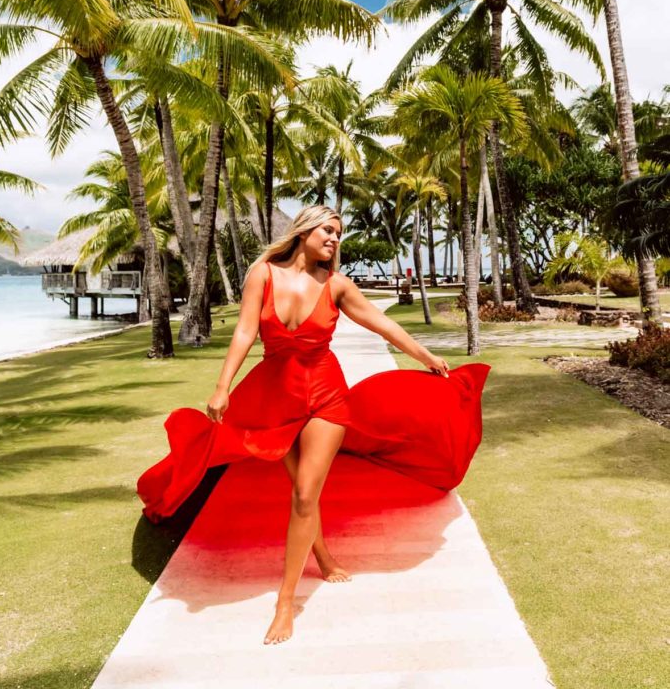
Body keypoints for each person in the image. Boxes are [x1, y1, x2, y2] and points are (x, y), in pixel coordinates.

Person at [136, 204, 490, 646]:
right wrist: (223, 385)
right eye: (328, 230)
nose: (334, 239)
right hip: (273, 399)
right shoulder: (262, 274)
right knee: (298, 489)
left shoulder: (337, 285)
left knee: (306, 493)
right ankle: (320, 553)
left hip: (326, 397)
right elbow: (245, 332)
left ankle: (286, 602)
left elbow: (381, 324)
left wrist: (425, 356)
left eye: (339, 233)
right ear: (303, 231)